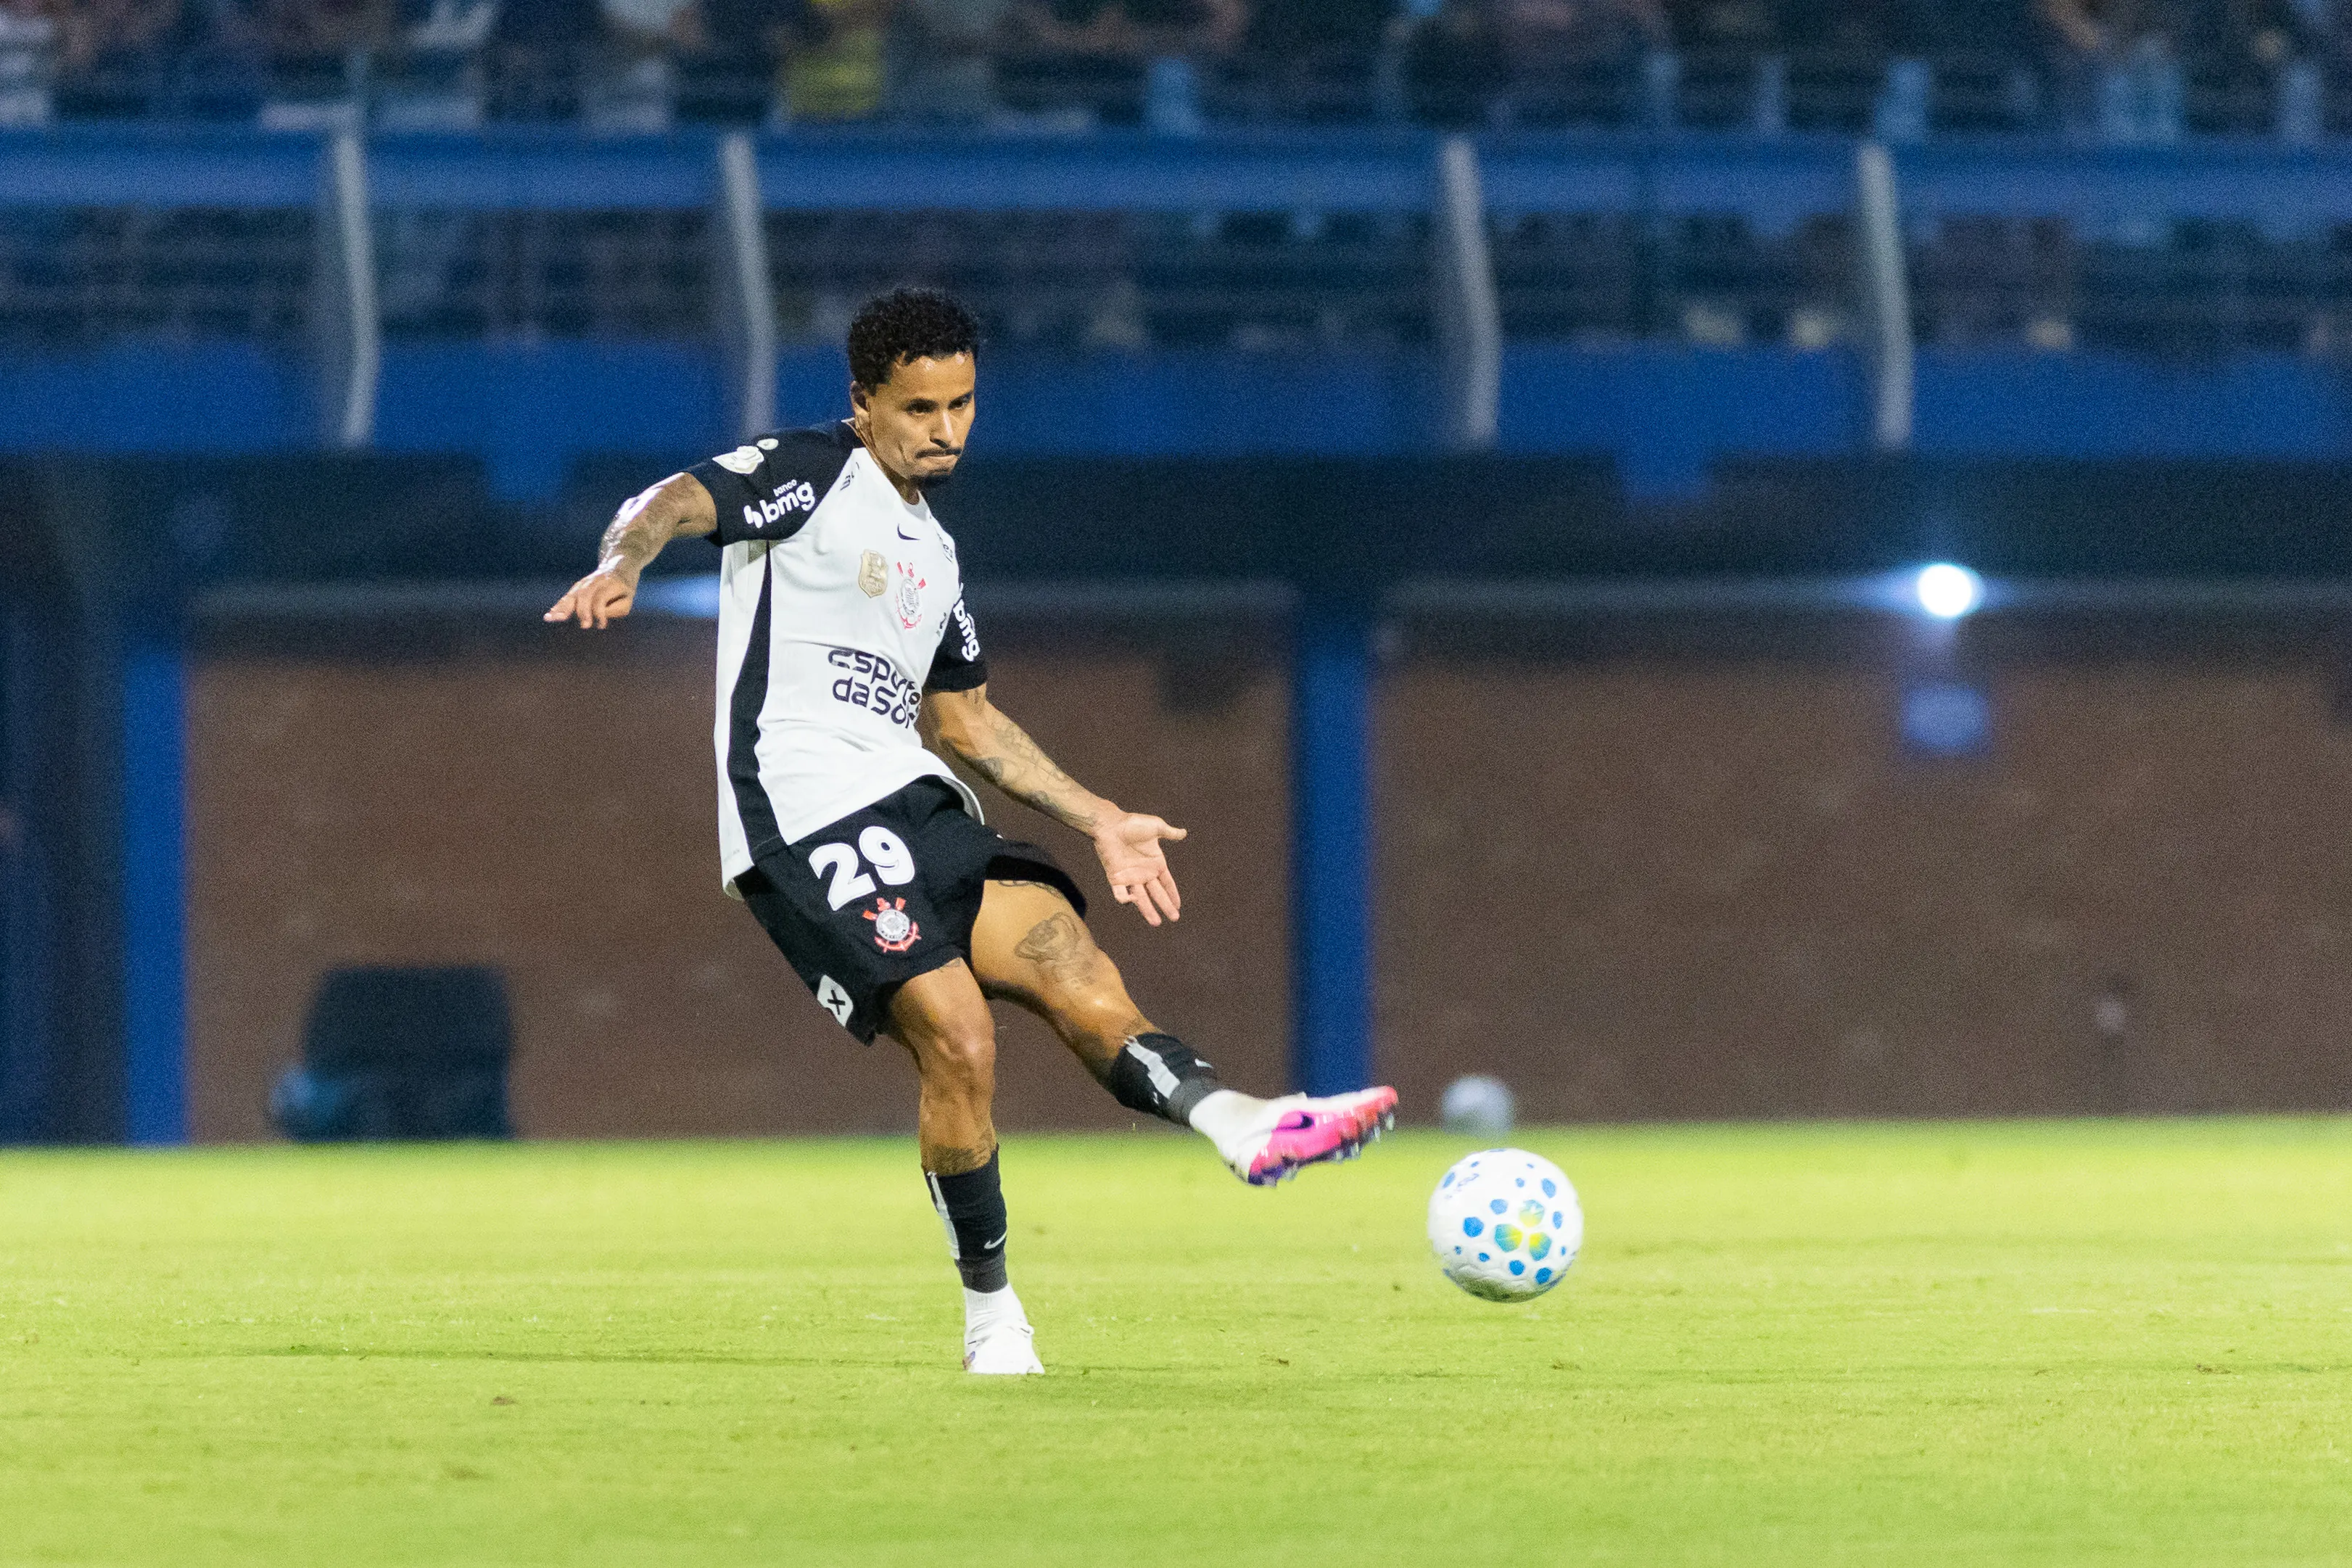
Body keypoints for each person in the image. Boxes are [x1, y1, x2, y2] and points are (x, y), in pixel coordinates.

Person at [545, 286, 1396, 1376]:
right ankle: (994, 1318)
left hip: (915, 798)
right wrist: (623, 562)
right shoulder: (811, 473)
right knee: (958, 1036)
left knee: (1070, 964)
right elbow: (667, 498)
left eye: (961, 404)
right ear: (863, 405)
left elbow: (964, 722)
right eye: (918, 407)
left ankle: (1240, 1123)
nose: (945, 428)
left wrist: (1099, 819)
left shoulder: (935, 556)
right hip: (802, 810)